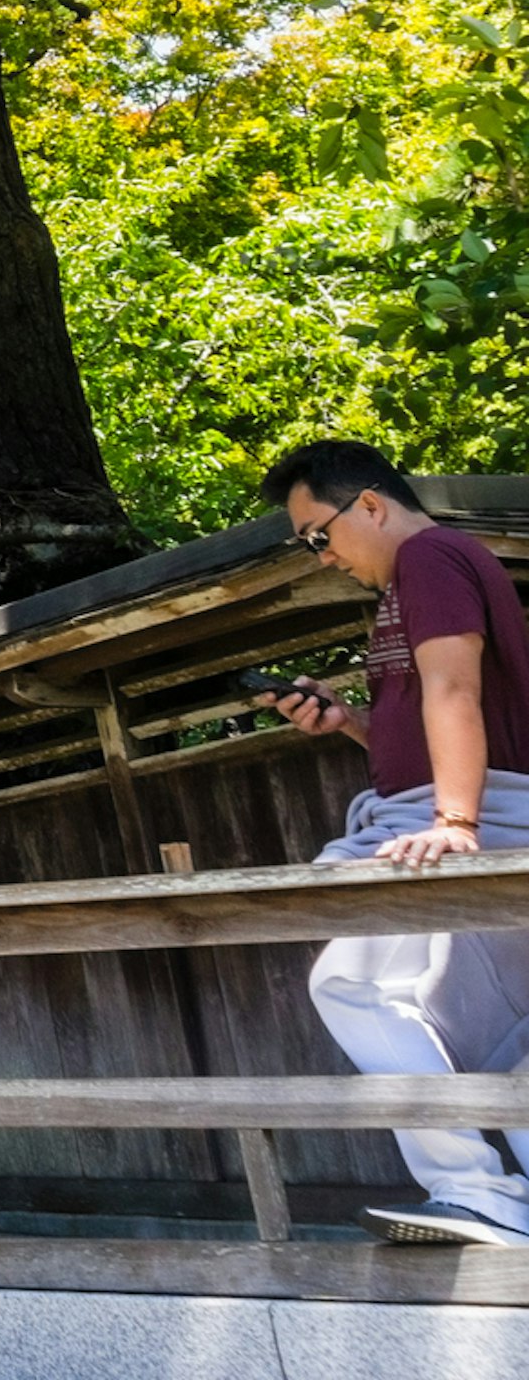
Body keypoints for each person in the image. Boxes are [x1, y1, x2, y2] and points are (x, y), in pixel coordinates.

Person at [263, 440, 529, 1246]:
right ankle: (492, 1190)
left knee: (351, 983)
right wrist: (348, 722)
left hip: (466, 817)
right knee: (501, 1028)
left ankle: (477, 1191)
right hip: (450, 808)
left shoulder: (433, 557)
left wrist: (453, 824)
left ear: (369, 505)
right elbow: (429, 722)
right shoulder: (421, 575)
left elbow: (455, 687)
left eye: (319, 534)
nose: (321, 555)